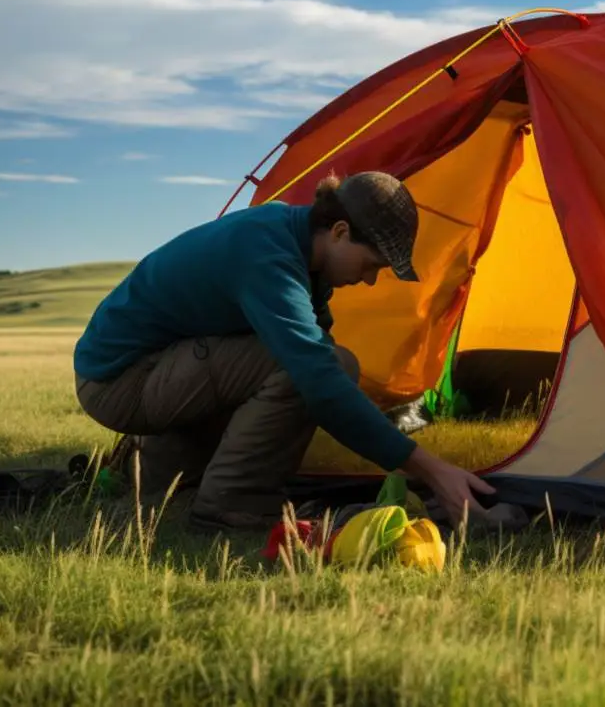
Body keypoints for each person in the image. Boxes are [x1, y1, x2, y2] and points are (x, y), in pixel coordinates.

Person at [72, 170, 496, 533]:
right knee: (314, 367)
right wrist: (430, 470)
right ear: (340, 232)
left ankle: (162, 477)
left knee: (326, 363)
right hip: (120, 382)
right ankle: (233, 503)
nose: (369, 280)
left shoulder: (297, 248)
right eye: (371, 264)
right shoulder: (266, 254)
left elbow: (321, 361)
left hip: (157, 370)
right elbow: (317, 375)